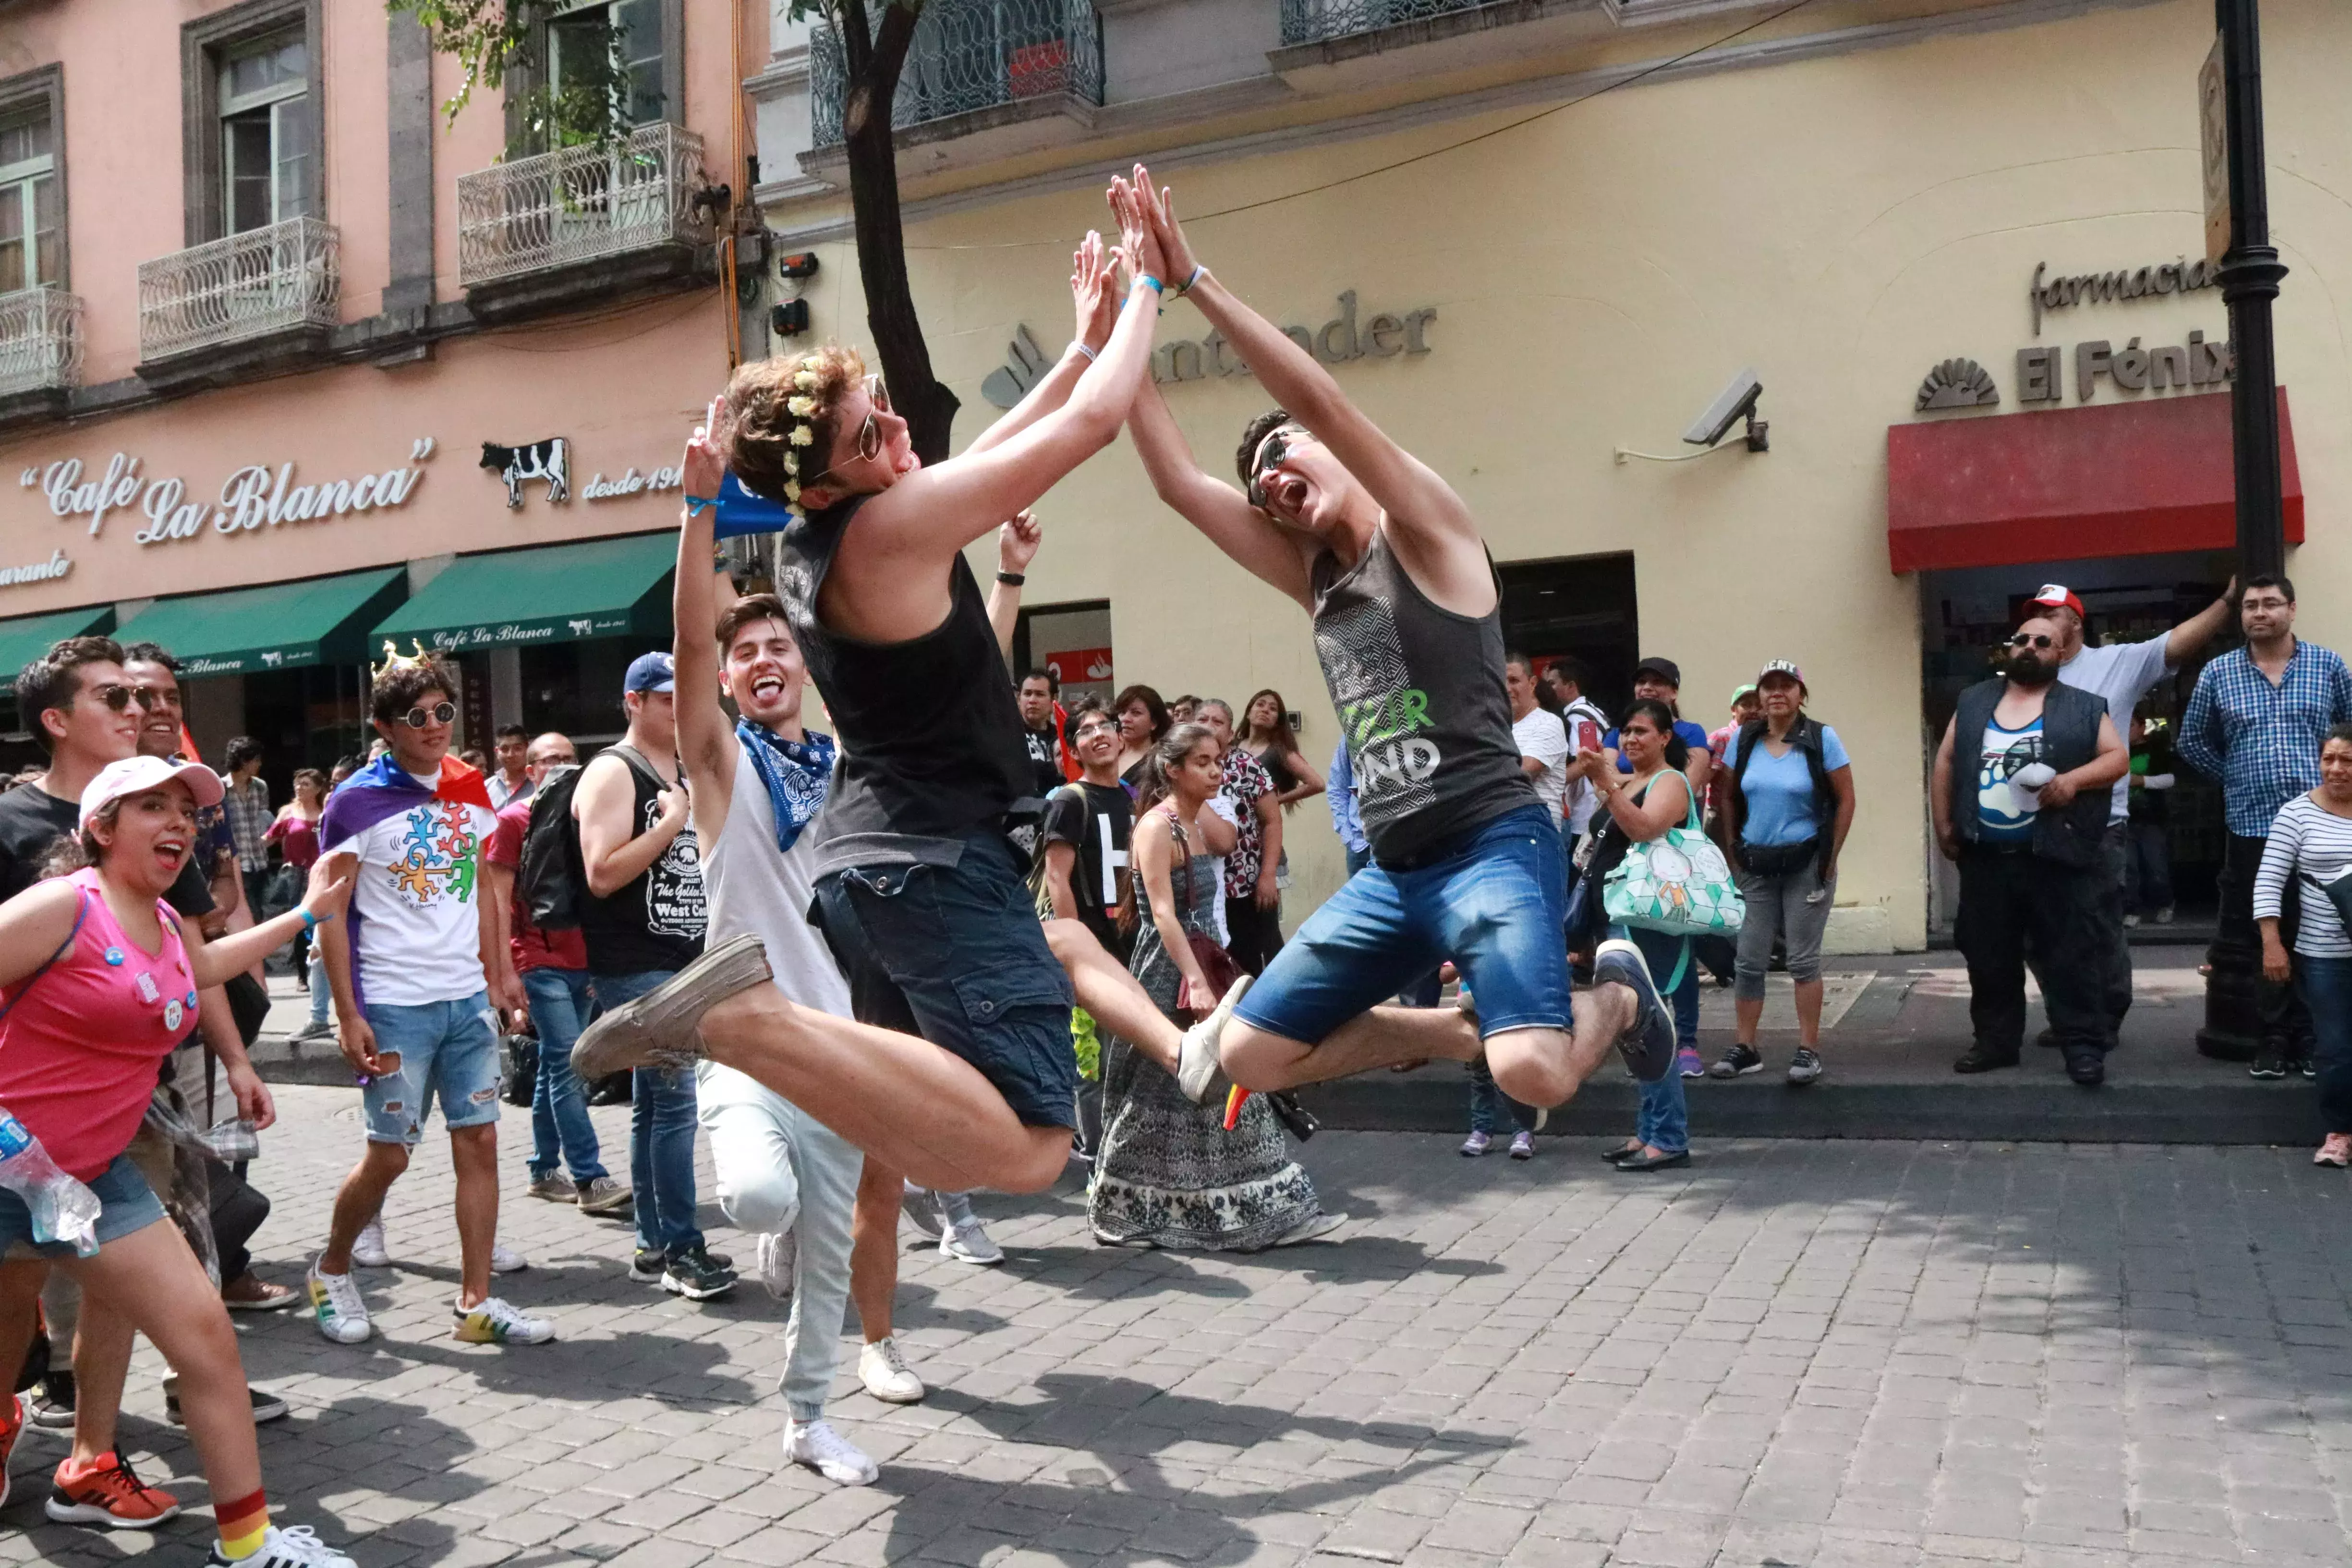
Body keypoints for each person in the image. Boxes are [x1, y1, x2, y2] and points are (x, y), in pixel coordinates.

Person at [573, 192, 1491, 1203]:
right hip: (930, 862)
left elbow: (992, 452)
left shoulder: (830, 535)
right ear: (825, 486)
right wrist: (1151, 281)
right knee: (1032, 1142)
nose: (891, 426)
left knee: (923, 1123)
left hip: (877, 870)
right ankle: (750, 1026)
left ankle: (768, 1041)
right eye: (866, 432)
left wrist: (1082, 341)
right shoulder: (887, 529)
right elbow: (1095, 423)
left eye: (879, 401)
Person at [1118, 169, 1672, 1109]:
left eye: (1284, 455)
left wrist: (1191, 281)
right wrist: (1120, 322)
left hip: (1493, 844)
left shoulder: (1426, 532)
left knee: (1535, 1075)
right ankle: (1468, 1030)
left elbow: (1323, 402)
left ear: (1328, 447)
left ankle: (1616, 997)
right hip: (1394, 871)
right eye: (1260, 484)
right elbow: (1175, 481)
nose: (1273, 481)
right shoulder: (1318, 580)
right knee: (1250, 1052)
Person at [0, 754, 356, 1568]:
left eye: (187, 812)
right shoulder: (63, 906)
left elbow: (207, 970)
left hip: (90, 1180)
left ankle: (248, 1547)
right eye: (152, 807)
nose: (178, 824)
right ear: (100, 828)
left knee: (206, 1339)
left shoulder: (162, 924)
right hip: (2, 1172)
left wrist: (306, 915)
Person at [670, 492, 880, 1484]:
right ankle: (781, 1216)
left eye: (779, 646)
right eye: (744, 650)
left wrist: (1004, 582)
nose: (762, 660)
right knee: (759, 1200)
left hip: (837, 1040)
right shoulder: (718, 766)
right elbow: (688, 655)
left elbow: (937, 709)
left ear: (806, 664)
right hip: (748, 1035)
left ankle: (807, 1421)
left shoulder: (843, 767)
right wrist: (695, 512)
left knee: (831, 1259)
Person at [307, 646, 550, 1348]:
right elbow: (329, 912)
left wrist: (499, 974)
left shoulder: (469, 786)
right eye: (418, 717)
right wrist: (348, 1013)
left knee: (479, 1141)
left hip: (464, 1001)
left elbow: (481, 888)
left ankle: (476, 1302)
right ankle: (330, 1268)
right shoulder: (355, 801)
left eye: (445, 711)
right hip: (391, 1006)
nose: (436, 725)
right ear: (385, 727)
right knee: (390, 1153)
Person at [1090, 724, 1337, 1248]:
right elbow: (1161, 913)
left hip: (1203, 961)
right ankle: (1126, 1206)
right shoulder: (1157, 828)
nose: (1216, 771)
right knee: (1168, 1090)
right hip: (1171, 971)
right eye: (1202, 762)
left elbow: (1230, 841)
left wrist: (1201, 801)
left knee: (1222, 1086)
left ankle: (1271, 1208)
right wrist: (1195, 980)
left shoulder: (1194, 820)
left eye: (1218, 761)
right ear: (1172, 769)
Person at [574, 652, 733, 1300]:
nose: (681, 707)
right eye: (668, 698)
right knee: (674, 1105)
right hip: (634, 962)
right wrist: (669, 823)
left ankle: (652, 1243)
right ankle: (680, 1248)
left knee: (654, 1107)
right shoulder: (615, 771)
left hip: (679, 958)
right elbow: (601, 871)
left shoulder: (682, 768)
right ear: (634, 701)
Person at [2028, 582, 2234, 1050]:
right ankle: (2067, 1015)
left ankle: (2103, 1018)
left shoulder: (2113, 662)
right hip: (2034, 825)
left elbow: (2175, 641)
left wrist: (2227, 602)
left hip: (2098, 825)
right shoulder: (2024, 674)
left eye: (2049, 612)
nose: (2039, 619)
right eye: (2033, 613)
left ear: (2074, 623)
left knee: (2099, 928)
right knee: (2040, 932)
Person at [1930, 617, 2128, 1084]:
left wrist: (2071, 782)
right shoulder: (1974, 700)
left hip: (2054, 855)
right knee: (1988, 955)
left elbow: (2116, 758)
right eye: (2022, 639)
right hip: (1985, 857)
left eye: (2043, 642)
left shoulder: (2081, 706)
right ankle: (1996, 1043)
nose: (2030, 646)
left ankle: (2082, 1046)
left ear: (2059, 654)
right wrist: (1942, 825)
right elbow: (1945, 760)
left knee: (2069, 956)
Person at [2179, 576, 2352, 1079]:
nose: (2259, 612)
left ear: (2291, 609)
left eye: (2270, 604)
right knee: (2263, 935)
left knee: (2320, 931)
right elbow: (2191, 741)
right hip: (2252, 825)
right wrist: (2231, 779)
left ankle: (2311, 1036)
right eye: (2250, 605)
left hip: (2321, 823)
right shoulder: (2218, 673)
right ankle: (2272, 1039)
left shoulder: (2326, 666)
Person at [481, 732, 630, 1214]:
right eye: (549, 760)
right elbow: (498, 903)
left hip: (584, 961)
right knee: (570, 1064)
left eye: (569, 758)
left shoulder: (589, 815)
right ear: (530, 771)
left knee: (553, 1066)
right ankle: (590, 1176)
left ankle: (544, 1170)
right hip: (538, 960)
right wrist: (506, 972)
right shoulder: (512, 820)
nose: (561, 766)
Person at [1711, 662, 1855, 1085]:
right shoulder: (1746, 737)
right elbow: (1728, 794)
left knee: (1803, 961)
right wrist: (1734, 853)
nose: (1778, 694)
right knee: (1749, 959)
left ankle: (1808, 1050)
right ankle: (1746, 1047)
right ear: (1759, 695)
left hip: (1806, 863)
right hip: (1755, 864)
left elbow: (1846, 799)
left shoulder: (1821, 738)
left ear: (1800, 694)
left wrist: (1830, 859)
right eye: (1769, 687)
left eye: (1786, 686)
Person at [1574, 702, 1696, 1171]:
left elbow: (1644, 829)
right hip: (1620, 918)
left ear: (1665, 737)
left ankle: (1667, 1136)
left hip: (1649, 922)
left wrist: (1603, 783)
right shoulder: (1632, 782)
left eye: (1642, 730)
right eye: (1625, 730)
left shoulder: (1669, 781)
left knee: (1650, 1023)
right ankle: (1649, 1131)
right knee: (1634, 1028)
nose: (1630, 739)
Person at [2256, 723, 2352, 1162]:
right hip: (2323, 954)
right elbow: (2269, 881)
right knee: (2332, 1045)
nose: (2337, 769)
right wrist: (2272, 943)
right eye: (2329, 759)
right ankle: (2339, 1133)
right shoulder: (2297, 814)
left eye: (2347, 760)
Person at [1195, 699, 1285, 976]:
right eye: (1203, 720)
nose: (1209, 726)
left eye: (1218, 722)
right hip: (1199, 889)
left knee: (1247, 966)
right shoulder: (1181, 766)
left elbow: (1272, 821)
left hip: (1243, 885)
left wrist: (1268, 874)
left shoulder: (1245, 765)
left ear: (1231, 733)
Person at [1042, 697, 1134, 963]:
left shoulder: (1136, 798)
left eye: (1106, 726)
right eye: (1086, 731)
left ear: (1120, 739)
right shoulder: (1070, 800)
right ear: (1073, 752)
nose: (1098, 734)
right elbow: (1057, 877)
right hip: (1095, 943)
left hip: (1138, 941)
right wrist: (1078, 949)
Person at [266, 769, 327, 1016]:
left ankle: (322, 973)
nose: (300, 788)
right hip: (294, 877)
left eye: (305, 784)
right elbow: (269, 838)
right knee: (299, 923)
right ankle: (302, 976)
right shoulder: (288, 813)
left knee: (321, 923)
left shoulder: (325, 814)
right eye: (297, 784)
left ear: (317, 789)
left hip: (320, 876)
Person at [2124, 713, 2176, 926]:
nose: (2127, 730)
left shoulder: (2156, 751)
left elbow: (2170, 779)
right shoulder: (2116, 750)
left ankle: (2164, 904)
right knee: (2129, 868)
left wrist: (2141, 781)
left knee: (2156, 867)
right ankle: (2132, 910)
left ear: (2142, 727)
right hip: (2125, 817)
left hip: (2151, 818)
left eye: (2132, 725)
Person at [218, 737, 271, 928]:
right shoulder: (221, 788)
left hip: (260, 860)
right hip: (237, 863)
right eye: (255, 760)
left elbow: (263, 818)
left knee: (264, 914)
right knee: (247, 915)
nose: (259, 764)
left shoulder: (260, 787)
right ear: (243, 761)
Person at [1706, 687, 1759, 830]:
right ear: (1734, 710)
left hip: (1752, 820)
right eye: (1747, 705)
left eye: (1759, 706)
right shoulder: (1723, 737)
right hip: (1722, 820)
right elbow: (1701, 781)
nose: (1754, 710)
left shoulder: (1763, 741)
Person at [1016, 669, 1067, 801]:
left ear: (1054, 700)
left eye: (1039, 694)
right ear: (1018, 699)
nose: (1032, 700)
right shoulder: (1006, 735)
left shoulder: (1063, 737)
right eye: (1027, 694)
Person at [1112, 682, 1170, 790]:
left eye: (1136, 713)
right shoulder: (1109, 753)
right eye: (1122, 712)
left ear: (1154, 723)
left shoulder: (1161, 762)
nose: (1125, 719)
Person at [487, 725, 532, 811]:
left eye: (518, 749)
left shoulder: (540, 784)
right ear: (497, 752)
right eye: (505, 749)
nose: (511, 755)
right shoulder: (487, 788)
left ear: (528, 750)